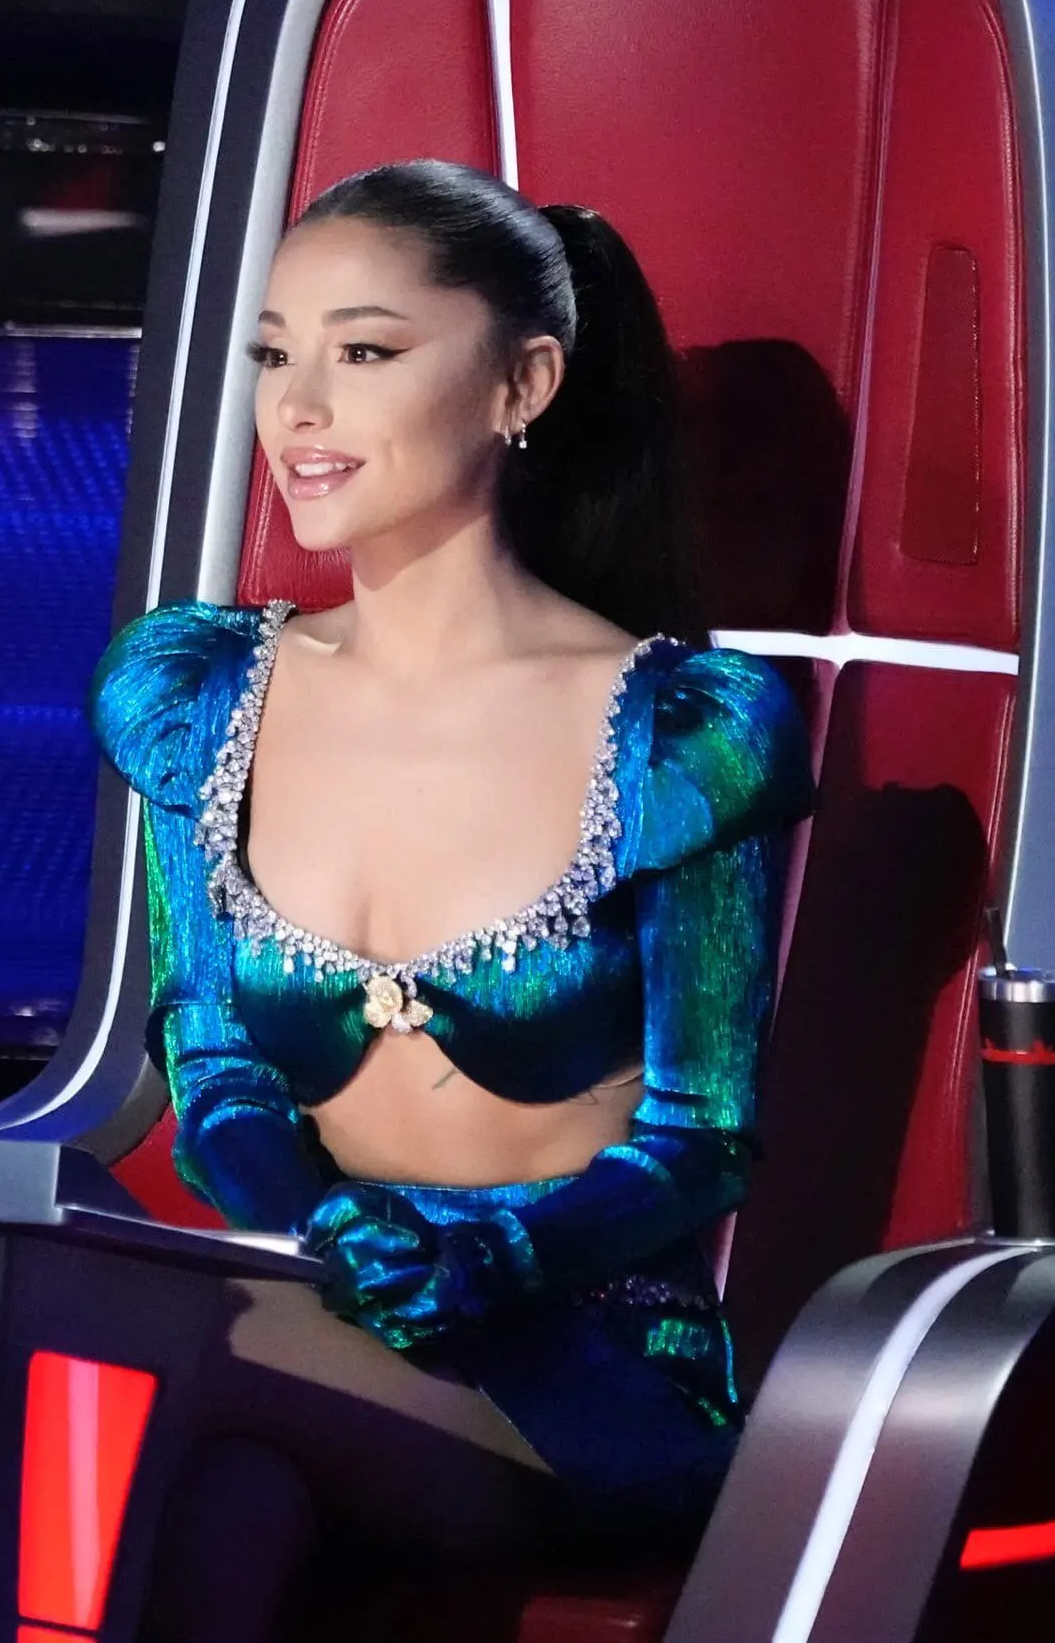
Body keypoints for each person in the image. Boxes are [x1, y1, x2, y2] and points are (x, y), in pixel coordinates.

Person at [88, 159, 812, 1639]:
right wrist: (325, 1229)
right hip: (312, 1308)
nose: (298, 410)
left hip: (580, 1355)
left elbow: (704, 1138)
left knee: (135, 1359)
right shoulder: (197, 692)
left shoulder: (683, 728)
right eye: (273, 356)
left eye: (363, 353)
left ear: (520, 384)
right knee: (220, 1513)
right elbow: (212, 1065)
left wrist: (494, 1259)